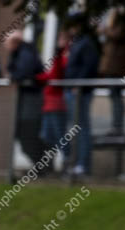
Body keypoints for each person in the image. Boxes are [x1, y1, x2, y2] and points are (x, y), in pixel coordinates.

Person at [64, 13, 100, 176]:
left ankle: (83, 165)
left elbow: (89, 66)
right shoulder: (77, 42)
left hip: (80, 93)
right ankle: (76, 162)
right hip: (72, 91)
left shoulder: (86, 43)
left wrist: (78, 84)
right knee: (75, 129)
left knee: (81, 128)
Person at [4, 31, 45, 169]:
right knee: (23, 135)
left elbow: (24, 72)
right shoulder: (18, 53)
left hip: (31, 101)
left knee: (28, 134)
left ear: (15, 42)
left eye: (8, 43)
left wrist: (13, 76)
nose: (6, 47)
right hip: (25, 101)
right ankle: (41, 166)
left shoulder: (26, 53)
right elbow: (10, 68)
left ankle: (43, 165)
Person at [35, 31, 70, 172]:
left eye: (63, 39)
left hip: (57, 103)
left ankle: (68, 161)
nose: (60, 41)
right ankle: (49, 165)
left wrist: (39, 78)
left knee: (60, 136)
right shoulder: (60, 57)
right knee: (46, 136)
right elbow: (50, 75)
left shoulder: (64, 58)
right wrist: (37, 77)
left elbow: (56, 76)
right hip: (49, 104)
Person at [98, 7, 125, 135]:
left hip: (117, 68)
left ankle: (117, 126)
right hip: (113, 68)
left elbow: (117, 35)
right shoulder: (117, 27)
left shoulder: (123, 25)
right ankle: (116, 125)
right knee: (114, 96)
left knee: (116, 96)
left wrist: (106, 29)